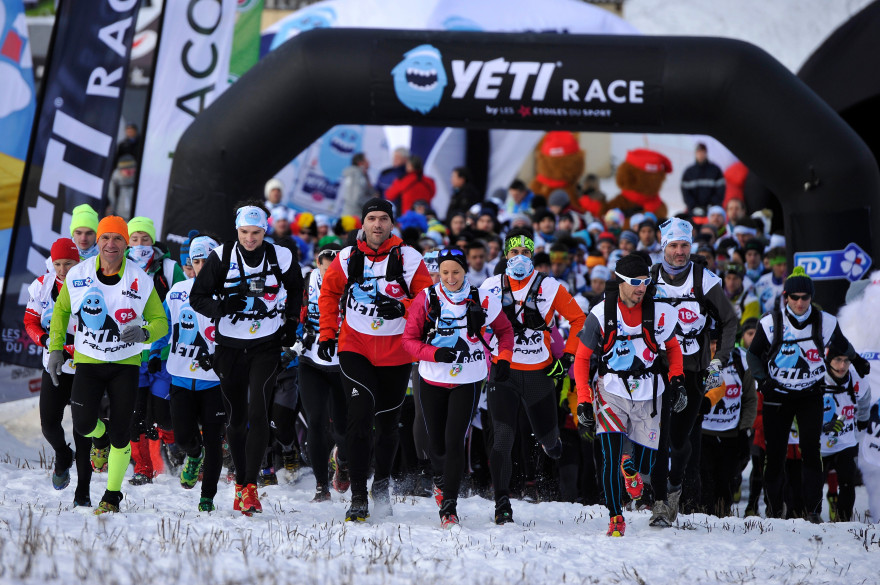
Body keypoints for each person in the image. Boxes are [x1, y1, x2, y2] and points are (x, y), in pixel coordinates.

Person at [317, 197, 433, 522]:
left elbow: (426, 299)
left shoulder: (409, 258)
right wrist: (327, 334)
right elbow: (328, 293)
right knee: (358, 419)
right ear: (363, 223)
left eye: (383, 218)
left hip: (396, 352)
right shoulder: (347, 256)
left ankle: (380, 484)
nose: (377, 224)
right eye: (372, 218)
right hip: (356, 346)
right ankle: (357, 495)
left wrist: (403, 308)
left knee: (386, 426)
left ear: (391, 223)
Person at [47, 216, 168, 514]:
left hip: (125, 364)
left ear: (126, 244)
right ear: (98, 242)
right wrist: (55, 350)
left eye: (117, 239)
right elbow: (61, 311)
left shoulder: (140, 279)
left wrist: (145, 333)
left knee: (121, 434)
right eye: (105, 238)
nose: (111, 244)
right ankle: (99, 436)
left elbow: (161, 321)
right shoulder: (79, 274)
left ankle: (112, 496)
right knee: (84, 424)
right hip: (89, 361)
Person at [189, 201, 304, 515]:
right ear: (236, 230)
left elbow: (296, 289)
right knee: (236, 420)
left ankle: (250, 486)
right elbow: (196, 297)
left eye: (255, 232)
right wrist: (223, 307)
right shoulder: (222, 256)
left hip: (265, 346)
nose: (250, 238)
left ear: (265, 230)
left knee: (258, 413)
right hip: (229, 346)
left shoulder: (280, 256)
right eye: (244, 232)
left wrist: (290, 325)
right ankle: (241, 484)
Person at [401, 248, 515, 528]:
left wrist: (504, 359)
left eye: (456, 272)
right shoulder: (426, 298)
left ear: (466, 272)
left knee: (455, 442)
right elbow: (408, 340)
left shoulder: (483, 298)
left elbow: (505, 331)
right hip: (432, 378)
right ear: (438, 273)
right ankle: (441, 480)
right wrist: (434, 353)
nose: (450, 278)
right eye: (445, 272)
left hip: (468, 378)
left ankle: (449, 506)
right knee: (435, 443)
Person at [746, 267, 870, 522]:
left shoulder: (825, 321)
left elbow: (841, 343)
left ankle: (812, 511)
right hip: (777, 395)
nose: (800, 303)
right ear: (786, 297)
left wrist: (857, 361)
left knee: (811, 451)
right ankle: (773, 510)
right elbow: (753, 354)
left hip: (809, 394)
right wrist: (763, 380)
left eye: (805, 297)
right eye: (795, 297)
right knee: (776, 454)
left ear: (811, 296)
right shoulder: (771, 323)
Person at [479, 228, 586, 524]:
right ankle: (502, 503)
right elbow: (478, 326)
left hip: (539, 374)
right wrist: (493, 355)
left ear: (534, 256)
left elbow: (579, 320)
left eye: (526, 253)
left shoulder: (550, 287)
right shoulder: (490, 286)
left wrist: (566, 357)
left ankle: (552, 445)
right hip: (504, 374)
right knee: (502, 438)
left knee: (548, 439)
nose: (520, 259)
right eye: (514, 253)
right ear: (504, 255)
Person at [574, 252, 685, 536]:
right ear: (620, 282)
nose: (641, 288)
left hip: (648, 390)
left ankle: (632, 467)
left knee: (647, 463)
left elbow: (672, 348)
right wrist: (584, 400)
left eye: (646, 281)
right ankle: (615, 517)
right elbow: (582, 358)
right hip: (611, 388)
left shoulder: (658, 311)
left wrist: (678, 381)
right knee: (610, 456)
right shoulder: (601, 314)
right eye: (635, 282)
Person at [648, 217, 739, 527]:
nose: (679, 251)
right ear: (663, 247)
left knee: (678, 439)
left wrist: (719, 360)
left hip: (693, 370)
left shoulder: (705, 279)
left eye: (684, 245)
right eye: (673, 245)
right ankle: (662, 502)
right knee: (658, 439)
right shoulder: (648, 279)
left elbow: (730, 320)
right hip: (659, 369)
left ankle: (675, 484)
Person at [25, 238, 92, 504]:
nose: (63, 269)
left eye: (69, 263)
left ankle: (82, 493)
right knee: (49, 425)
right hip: (53, 366)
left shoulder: (90, 283)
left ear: (79, 262)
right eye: (58, 264)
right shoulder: (42, 286)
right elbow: (30, 321)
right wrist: (46, 342)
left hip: (85, 368)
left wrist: (73, 348)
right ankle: (63, 455)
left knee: (82, 429)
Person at [165, 235, 226, 511]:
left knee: (215, 442)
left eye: (206, 260)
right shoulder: (177, 290)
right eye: (196, 261)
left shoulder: (226, 291)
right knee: (182, 437)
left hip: (214, 381)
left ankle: (207, 497)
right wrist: (152, 351)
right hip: (180, 375)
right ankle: (194, 453)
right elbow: (164, 323)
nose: (200, 266)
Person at [126, 216, 187, 485]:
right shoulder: (120, 266)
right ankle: (143, 468)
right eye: (135, 239)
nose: (140, 244)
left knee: (163, 414)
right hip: (130, 351)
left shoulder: (171, 268)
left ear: (153, 241)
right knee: (135, 414)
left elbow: (186, 302)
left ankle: (173, 443)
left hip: (163, 352)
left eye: (145, 239)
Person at [298, 243, 350, 502]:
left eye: (334, 268)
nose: (329, 272)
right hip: (311, 361)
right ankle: (321, 485)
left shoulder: (352, 283)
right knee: (315, 423)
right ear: (318, 264)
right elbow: (292, 315)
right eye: (324, 266)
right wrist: (294, 340)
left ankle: (342, 459)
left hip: (343, 362)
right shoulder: (307, 282)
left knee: (343, 429)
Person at [699, 333, 758, 517]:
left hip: (731, 434)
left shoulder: (741, 359)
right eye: (712, 342)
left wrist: (744, 430)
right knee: (704, 483)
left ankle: (722, 520)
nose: (715, 347)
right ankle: (703, 520)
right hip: (703, 432)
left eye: (719, 343)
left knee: (727, 482)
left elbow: (750, 399)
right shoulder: (697, 358)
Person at [820, 346, 872, 522]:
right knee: (812, 484)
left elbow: (865, 402)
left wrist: (862, 423)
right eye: (837, 360)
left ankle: (843, 523)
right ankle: (810, 520)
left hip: (846, 442)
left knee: (848, 483)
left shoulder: (857, 378)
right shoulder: (817, 378)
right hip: (819, 445)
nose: (842, 366)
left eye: (846, 361)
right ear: (828, 361)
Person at [680, 142, 725, 214]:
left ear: (706, 153)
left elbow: (720, 191)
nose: (701, 154)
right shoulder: (689, 172)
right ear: (695, 154)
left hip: (713, 212)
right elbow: (686, 193)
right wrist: (694, 206)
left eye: (703, 152)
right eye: (699, 152)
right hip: (693, 212)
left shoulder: (715, 170)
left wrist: (712, 205)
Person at [340, 152, 376, 217]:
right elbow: (357, 198)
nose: (369, 162)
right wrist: (373, 201)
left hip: (351, 214)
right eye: (366, 160)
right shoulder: (357, 175)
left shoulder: (360, 175)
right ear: (360, 163)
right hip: (355, 216)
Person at [753, 247, 787, 314]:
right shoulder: (762, 282)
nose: (783, 268)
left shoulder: (793, 282)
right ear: (772, 264)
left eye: (785, 264)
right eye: (779, 265)